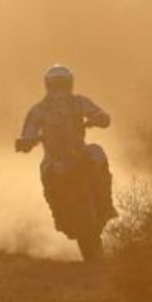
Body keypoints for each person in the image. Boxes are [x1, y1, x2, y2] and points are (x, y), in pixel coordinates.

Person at [15, 65, 117, 230]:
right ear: (48, 86)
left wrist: (100, 118)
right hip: (53, 158)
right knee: (46, 175)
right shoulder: (38, 110)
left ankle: (107, 203)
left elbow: (99, 114)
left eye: (62, 84)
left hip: (80, 151)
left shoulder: (79, 102)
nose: (59, 90)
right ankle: (58, 215)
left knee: (98, 152)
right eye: (55, 85)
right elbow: (28, 132)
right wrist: (24, 142)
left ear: (69, 84)